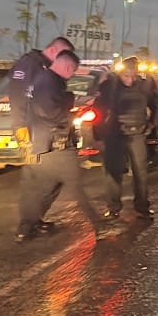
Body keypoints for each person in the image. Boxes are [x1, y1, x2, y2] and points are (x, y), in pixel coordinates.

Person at [16, 49, 103, 242]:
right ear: (67, 66)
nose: (72, 75)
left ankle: (27, 227)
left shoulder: (46, 80)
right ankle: (100, 226)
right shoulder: (48, 83)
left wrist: (69, 99)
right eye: (72, 71)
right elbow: (49, 111)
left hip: (43, 144)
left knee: (45, 187)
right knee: (75, 184)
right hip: (55, 143)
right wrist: (73, 116)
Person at [8, 36, 75, 236]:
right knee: (35, 179)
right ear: (54, 51)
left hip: (44, 132)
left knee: (48, 178)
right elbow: (18, 97)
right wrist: (21, 129)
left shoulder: (43, 68)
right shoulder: (29, 65)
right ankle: (27, 225)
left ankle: (32, 221)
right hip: (31, 133)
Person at [97, 56, 158, 221]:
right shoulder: (110, 87)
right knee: (112, 173)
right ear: (120, 73)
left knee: (140, 173)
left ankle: (142, 207)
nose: (130, 79)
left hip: (137, 135)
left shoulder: (145, 85)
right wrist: (98, 135)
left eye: (133, 75)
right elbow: (99, 110)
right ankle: (113, 208)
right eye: (126, 75)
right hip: (114, 135)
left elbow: (157, 105)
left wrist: (152, 125)